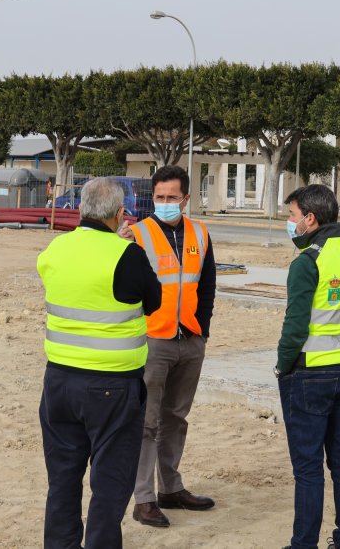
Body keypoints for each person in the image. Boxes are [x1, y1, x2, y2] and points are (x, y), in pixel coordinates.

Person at [37, 177, 162, 549]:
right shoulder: (127, 254)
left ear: (80, 209)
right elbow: (153, 302)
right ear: (120, 214)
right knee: (109, 485)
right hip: (112, 388)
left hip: (59, 383)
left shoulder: (55, 250)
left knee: (62, 480)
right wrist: (121, 245)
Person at [276, 184, 340, 549]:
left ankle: (304, 544)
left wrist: (281, 366)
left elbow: (295, 327)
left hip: (308, 373)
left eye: (292, 216)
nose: (290, 223)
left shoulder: (308, 262)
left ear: (310, 219)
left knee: (307, 468)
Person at [122, 165, 217, 529]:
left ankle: (171, 488)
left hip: (189, 341)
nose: (164, 203)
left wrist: (202, 331)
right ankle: (143, 498)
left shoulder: (200, 233)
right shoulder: (138, 235)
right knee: (146, 423)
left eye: (171, 197)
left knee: (175, 419)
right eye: (158, 197)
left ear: (185, 199)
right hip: (152, 342)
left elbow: (206, 285)